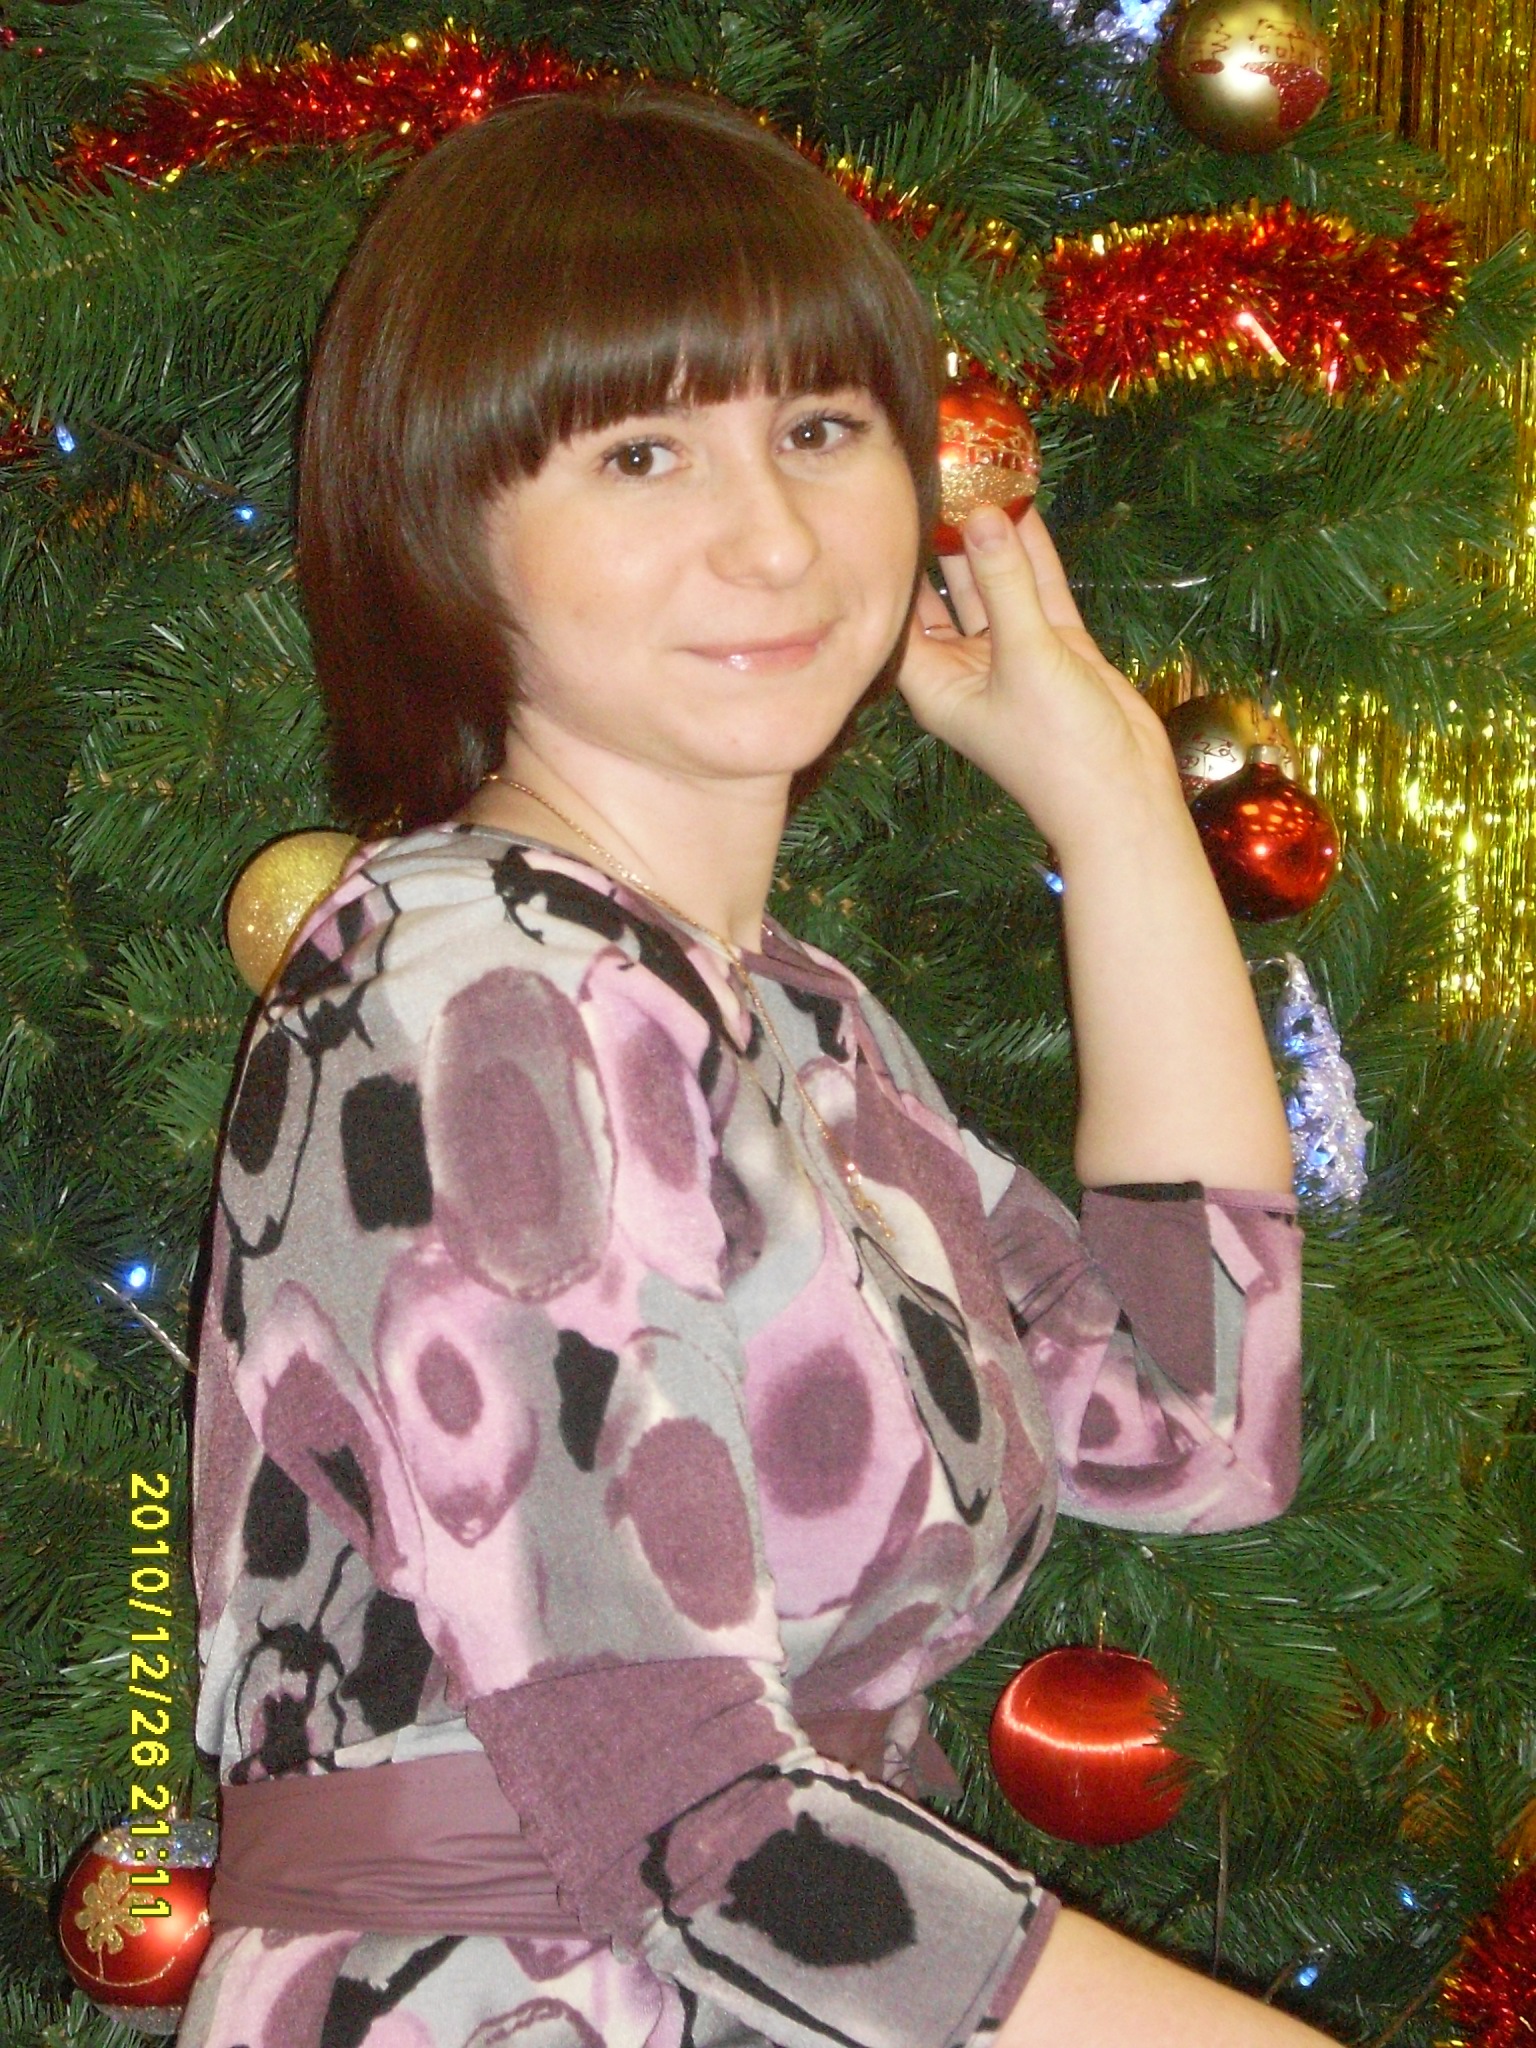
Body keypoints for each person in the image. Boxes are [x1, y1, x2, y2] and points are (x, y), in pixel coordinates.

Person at [178, 83, 1327, 2048]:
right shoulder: (476, 990)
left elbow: (1198, 1421)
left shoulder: (787, 1016)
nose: (776, 537)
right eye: (641, 453)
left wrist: (1118, 801)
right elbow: (682, 1815)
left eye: (819, 428)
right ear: (444, 522)